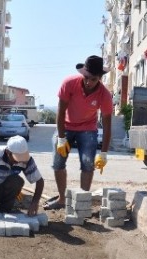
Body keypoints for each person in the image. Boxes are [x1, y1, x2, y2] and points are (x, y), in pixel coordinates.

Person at [43, 55, 112, 210]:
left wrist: (104, 153)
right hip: (65, 126)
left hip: (87, 129)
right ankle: (62, 199)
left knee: (88, 164)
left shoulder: (104, 95)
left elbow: (107, 125)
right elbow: (60, 113)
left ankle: (82, 203)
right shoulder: (69, 83)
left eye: (93, 79)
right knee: (57, 162)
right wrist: (61, 138)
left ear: (100, 78)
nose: (88, 82)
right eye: (86, 77)